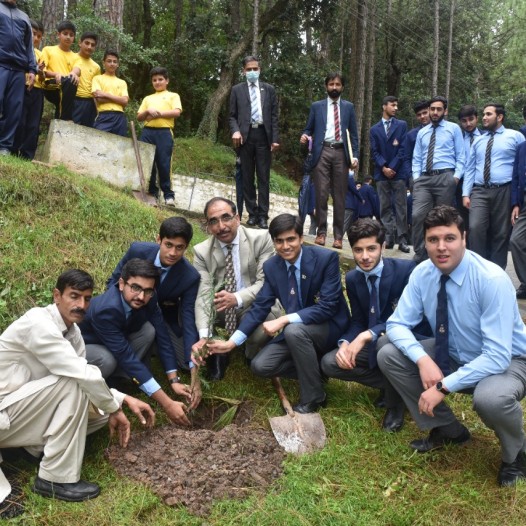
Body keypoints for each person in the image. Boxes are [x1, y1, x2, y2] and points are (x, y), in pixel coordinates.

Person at [378, 205, 526, 487]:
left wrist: (443, 386)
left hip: (509, 361)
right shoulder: (422, 273)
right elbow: (396, 324)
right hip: (454, 351)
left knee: (490, 399)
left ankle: (516, 455)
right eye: (433, 240)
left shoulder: (491, 279)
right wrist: (423, 359)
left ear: (464, 238)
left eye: (449, 238)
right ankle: (448, 430)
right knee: (388, 352)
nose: (441, 247)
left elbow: (497, 356)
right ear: (425, 242)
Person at [0, 269, 154, 509]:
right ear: (56, 296)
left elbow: (85, 377)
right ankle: (54, 478)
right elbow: (80, 375)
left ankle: (33, 451)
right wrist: (115, 406)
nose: (81, 305)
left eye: (87, 298)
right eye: (74, 296)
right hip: (4, 413)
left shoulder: (73, 332)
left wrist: (122, 399)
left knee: (98, 412)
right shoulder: (38, 323)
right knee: (74, 384)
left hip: (20, 409)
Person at [205, 213, 351, 413]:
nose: (285, 246)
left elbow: (328, 306)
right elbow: (260, 307)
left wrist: (284, 320)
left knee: (293, 330)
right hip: (297, 331)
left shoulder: (326, 259)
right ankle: (314, 370)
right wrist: (232, 343)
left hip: (330, 327)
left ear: (301, 238)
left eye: (291, 239)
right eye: (279, 241)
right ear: (274, 242)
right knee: (260, 365)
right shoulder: (272, 267)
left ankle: (315, 396)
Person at [321, 219, 427, 432]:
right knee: (330, 362)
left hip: (407, 341)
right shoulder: (353, 278)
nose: (365, 256)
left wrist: (367, 335)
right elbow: (358, 320)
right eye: (358, 250)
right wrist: (345, 342)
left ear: (383, 247)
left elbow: (410, 318)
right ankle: (397, 387)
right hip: (375, 342)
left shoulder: (405, 270)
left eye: (371, 248)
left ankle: (395, 404)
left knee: (383, 344)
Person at [80, 258, 194, 422]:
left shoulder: (150, 297)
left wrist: (174, 379)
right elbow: (126, 357)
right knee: (107, 358)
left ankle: (121, 381)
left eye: (148, 290)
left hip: (115, 340)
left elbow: (162, 335)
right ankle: (94, 392)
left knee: (149, 330)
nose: (141, 296)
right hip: (85, 348)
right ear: (121, 284)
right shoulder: (106, 310)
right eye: (135, 288)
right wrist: (167, 404)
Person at [106, 217, 201, 396]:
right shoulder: (138, 250)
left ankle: (155, 348)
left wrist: (193, 366)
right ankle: (125, 374)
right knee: (146, 331)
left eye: (179, 247)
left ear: (186, 247)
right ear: (159, 239)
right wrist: (122, 311)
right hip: (129, 308)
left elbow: (188, 317)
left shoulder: (190, 276)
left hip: (161, 316)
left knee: (183, 361)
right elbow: (114, 282)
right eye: (168, 245)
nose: (172, 252)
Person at [191, 197, 280, 380]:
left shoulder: (262, 239)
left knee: (261, 330)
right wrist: (204, 336)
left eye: (226, 218)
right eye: (213, 221)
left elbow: (265, 283)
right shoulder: (201, 252)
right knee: (193, 313)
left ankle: (250, 350)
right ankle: (216, 352)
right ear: (208, 226)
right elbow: (203, 294)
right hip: (221, 307)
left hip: (255, 304)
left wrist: (237, 298)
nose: (221, 226)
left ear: (237, 218)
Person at [300, 72, 359, 250]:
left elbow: (354, 135)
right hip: (322, 151)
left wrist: (355, 156)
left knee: (340, 195)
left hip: (341, 153)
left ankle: (338, 236)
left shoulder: (349, 107)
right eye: (331, 84)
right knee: (321, 193)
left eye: (337, 84)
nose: (334, 87)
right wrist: (305, 136)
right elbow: (308, 128)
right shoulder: (316, 106)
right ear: (326, 86)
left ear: (342, 87)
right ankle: (321, 233)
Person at [462, 103, 524, 269]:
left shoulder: (515, 136)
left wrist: (518, 197)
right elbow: (470, 168)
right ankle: (477, 268)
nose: (484, 117)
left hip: (504, 190)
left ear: (500, 117)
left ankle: (496, 272)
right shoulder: (478, 141)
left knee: (501, 233)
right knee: (475, 228)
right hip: (479, 191)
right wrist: (465, 193)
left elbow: (522, 166)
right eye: (483, 114)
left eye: (488, 114)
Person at [411, 96, 465, 263]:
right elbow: (416, 158)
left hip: (445, 177)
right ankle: (420, 254)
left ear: (445, 111)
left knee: (442, 217)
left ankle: (440, 253)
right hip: (424, 179)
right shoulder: (422, 132)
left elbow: (461, 156)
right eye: (432, 109)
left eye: (439, 109)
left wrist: (455, 178)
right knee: (417, 215)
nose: (435, 112)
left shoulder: (453, 128)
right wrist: (416, 178)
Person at [229, 55, 279, 229]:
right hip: (245, 137)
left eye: (255, 69)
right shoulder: (237, 90)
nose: (252, 72)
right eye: (248, 69)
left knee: (263, 177)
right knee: (247, 177)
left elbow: (274, 116)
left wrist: (275, 139)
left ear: (259, 70)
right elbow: (232, 116)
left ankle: (263, 215)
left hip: (264, 136)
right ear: (243, 71)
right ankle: (252, 213)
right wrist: (235, 131)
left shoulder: (269, 89)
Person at [370, 96, 410, 252]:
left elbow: (403, 149)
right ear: (384, 106)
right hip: (381, 174)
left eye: (397, 105)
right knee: (384, 207)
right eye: (393, 105)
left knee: (401, 207)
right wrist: (383, 167)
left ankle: (402, 239)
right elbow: (374, 152)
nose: (396, 108)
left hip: (398, 173)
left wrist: (392, 167)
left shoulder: (402, 125)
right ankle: (389, 237)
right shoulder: (374, 129)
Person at [137, 66, 182, 206]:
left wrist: (158, 113)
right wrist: (148, 111)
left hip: (164, 132)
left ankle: (168, 195)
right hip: (147, 132)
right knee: (148, 163)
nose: (157, 82)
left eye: (160, 79)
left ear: (167, 80)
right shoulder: (148, 98)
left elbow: (176, 112)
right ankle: (152, 193)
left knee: (164, 163)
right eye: (154, 80)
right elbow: (139, 117)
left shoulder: (173, 96)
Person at [0, 0, 36, 156]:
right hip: (1, 64)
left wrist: (32, 69)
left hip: (18, 69)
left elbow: (29, 46)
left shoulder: (24, 17)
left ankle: (4, 147)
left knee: (14, 109)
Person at [12, 18, 44, 160]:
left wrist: (41, 72)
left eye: (39, 36)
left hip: (37, 90)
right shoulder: (19, 49)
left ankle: (27, 155)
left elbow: (43, 77)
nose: (35, 38)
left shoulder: (40, 54)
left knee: (33, 124)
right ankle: (12, 150)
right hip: (21, 87)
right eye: (33, 34)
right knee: (19, 120)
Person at [40, 20, 80, 121]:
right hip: (51, 84)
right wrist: (56, 74)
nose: (68, 37)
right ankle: (65, 120)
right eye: (65, 33)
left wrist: (73, 73)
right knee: (68, 83)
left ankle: (60, 121)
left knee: (71, 81)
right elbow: (42, 70)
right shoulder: (48, 50)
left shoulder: (75, 56)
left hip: (66, 85)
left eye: (71, 35)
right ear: (58, 35)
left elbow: (77, 69)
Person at [92, 50, 129, 137]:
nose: (112, 64)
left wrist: (106, 95)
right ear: (103, 63)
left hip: (120, 117)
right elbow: (99, 98)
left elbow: (125, 101)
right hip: (104, 115)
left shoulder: (122, 82)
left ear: (118, 64)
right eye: (109, 61)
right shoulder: (97, 79)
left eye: (115, 62)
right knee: (98, 140)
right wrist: (118, 100)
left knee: (120, 143)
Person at [508, 141, 526, 298]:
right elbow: (515, 177)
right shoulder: (522, 147)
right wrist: (516, 204)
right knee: (516, 240)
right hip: (524, 200)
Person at [72, 31, 100, 127]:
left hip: (89, 103)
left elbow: (95, 90)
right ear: (80, 43)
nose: (89, 47)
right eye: (87, 43)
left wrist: (98, 110)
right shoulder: (71, 57)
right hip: (73, 99)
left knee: (88, 130)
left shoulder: (96, 67)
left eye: (92, 45)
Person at [403, 100, 430, 179]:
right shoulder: (411, 135)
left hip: (439, 176)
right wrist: (411, 177)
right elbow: (406, 158)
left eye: (425, 113)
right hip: (418, 177)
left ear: (430, 111)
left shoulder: (441, 131)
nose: (422, 116)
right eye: (419, 115)